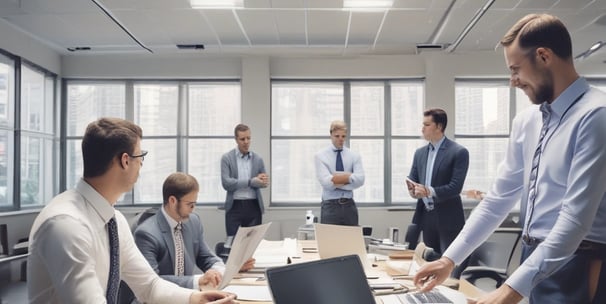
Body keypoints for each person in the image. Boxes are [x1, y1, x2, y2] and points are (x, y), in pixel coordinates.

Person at [413, 14, 606, 304]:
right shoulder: (527, 121)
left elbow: (574, 221)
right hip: (534, 258)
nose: (512, 81)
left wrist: (508, 291)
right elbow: (496, 202)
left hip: (581, 261)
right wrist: (449, 260)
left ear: (544, 56)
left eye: (516, 69)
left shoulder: (596, 115)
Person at [27, 118, 237, 304]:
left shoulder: (113, 220)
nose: (141, 164)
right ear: (125, 160)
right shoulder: (66, 224)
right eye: (140, 157)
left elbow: (149, 286)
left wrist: (194, 299)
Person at [135, 172, 255, 291]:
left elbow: (205, 257)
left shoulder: (193, 221)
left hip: (187, 296)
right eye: (190, 205)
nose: (193, 210)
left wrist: (228, 270)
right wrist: (198, 281)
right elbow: (151, 282)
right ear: (172, 201)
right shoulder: (146, 234)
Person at [407, 108, 469, 277]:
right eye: (423, 124)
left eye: (427, 125)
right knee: (431, 265)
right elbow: (413, 179)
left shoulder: (458, 152)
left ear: (439, 126)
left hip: (449, 217)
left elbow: (455, 187)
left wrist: (428, 191)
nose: (423, 128)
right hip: (427, 216)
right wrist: (414, 192)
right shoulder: (419, 153)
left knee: (449, 267)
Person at [221, 123, 268, 237]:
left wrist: (261, 181)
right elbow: (226, 183)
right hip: (234, 207)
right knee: (233, 245)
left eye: (248, 138)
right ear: (236, 139)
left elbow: (264, 182)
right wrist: (250, 182)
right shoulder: (227, 158)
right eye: (242, 139)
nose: (246, 142)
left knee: (252, 245)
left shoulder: (258, 159)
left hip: (253, 206)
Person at [314, 120, 365, 226]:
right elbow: (327, 183)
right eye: (337, 136)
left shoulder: (354, 156)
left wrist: (336, 179)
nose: (341, 139)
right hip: (330, 206)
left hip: (349, 205)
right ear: (331, 135)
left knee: (351, 240)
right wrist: (350, 178)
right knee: (329, 241)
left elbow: (360, 179)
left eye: (343, 136)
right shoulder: (320, 156)